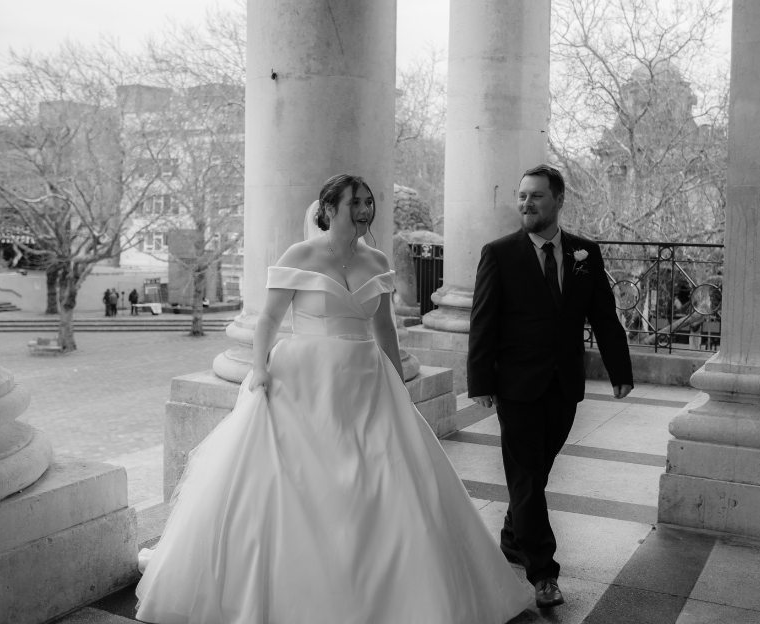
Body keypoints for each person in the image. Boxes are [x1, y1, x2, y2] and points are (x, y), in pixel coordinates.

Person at [135, 174, 532, 624]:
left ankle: (391, 593)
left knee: (382, 479)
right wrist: (260, 368)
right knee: (296, 483)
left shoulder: (377, 259)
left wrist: (399, 386)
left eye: (368, 202)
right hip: (303, 380)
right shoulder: (300, 255)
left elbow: (384, 328)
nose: (364, 211)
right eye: (355, 203)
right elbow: (267, 318)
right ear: (328, 208)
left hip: (366, 380)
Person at [468, 164, 634, 610]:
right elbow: (482, 322)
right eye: (522, 196)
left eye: (536, 196)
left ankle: (511, 537)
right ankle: (543, 573)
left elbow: (603, 314)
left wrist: (620, 371)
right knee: (525, 477)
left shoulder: (585, 253)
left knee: (536, 475)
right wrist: (481, 380)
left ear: (559, 201)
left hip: (564, 385)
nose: (526, 203)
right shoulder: (499, 253)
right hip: (517, 385)